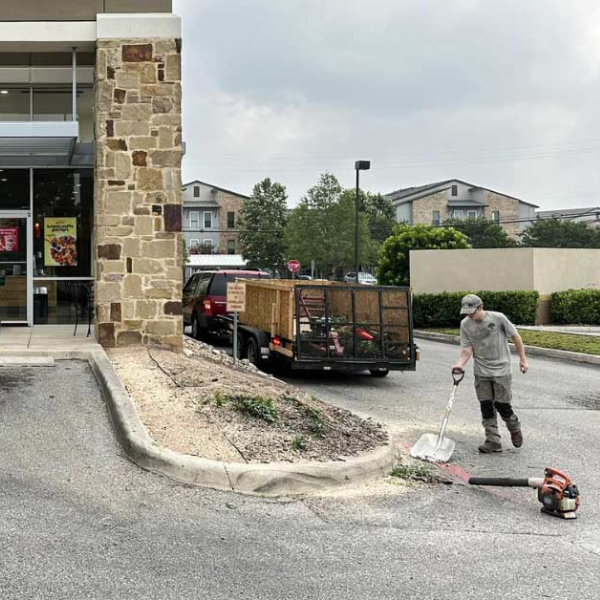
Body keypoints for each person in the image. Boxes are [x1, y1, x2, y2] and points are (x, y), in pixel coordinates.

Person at [452, 294, 529, 453]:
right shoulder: (465, 324)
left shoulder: (498, 318)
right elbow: (467, 349)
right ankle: (493, 440)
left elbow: (516, 336)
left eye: (472, 312)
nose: (469, 315)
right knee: (486, 405)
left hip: (501, 369)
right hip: (481, 370)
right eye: (466, 312)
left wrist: (523, 359)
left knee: (502, 404)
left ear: (481, 307)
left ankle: (514, 428)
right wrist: (460, 364)